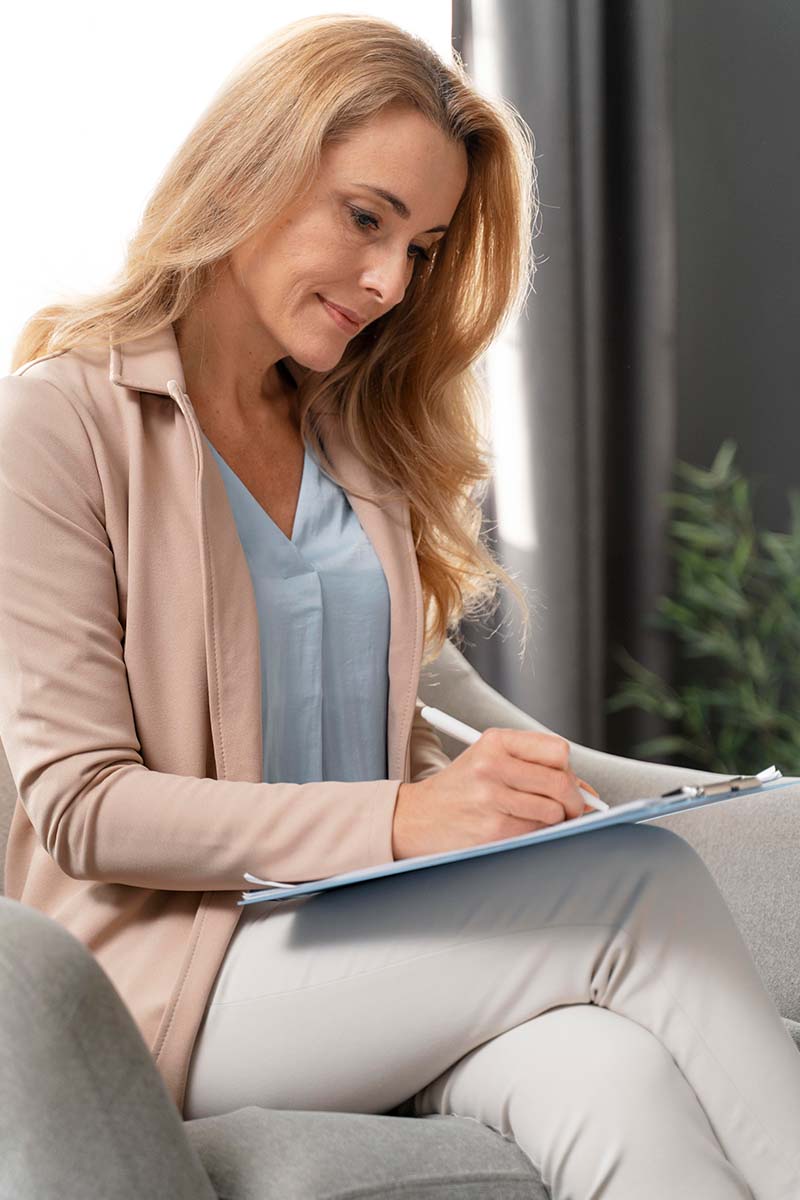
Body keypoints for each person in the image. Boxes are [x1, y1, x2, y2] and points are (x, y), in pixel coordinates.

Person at [1, 14, 798, 1198]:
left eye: (420, 248)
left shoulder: (352, 440)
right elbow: (81, 805)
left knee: (607, 1073)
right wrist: (402, 819)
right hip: (187, 977)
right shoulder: (58, 427)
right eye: (365, 218)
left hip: (377, 940)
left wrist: (645, 795)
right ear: (247, 167)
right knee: (645, 893)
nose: (387, 282)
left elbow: (411, 720)